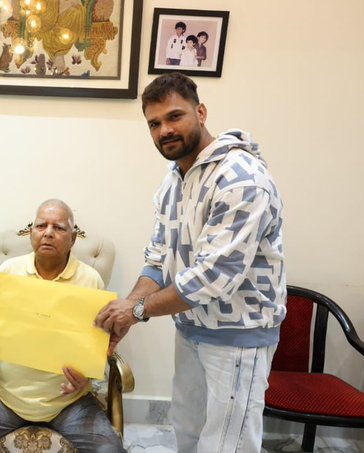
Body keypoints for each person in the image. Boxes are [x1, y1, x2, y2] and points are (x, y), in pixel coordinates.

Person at [95, 73, 286, 453]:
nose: (164, 130)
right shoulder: (173, 182)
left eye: (174, 116)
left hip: (237, 336)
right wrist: (128, 307)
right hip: (191, 329)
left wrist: (136, 310)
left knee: (227, 444)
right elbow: (158, 259)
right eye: (154, 123)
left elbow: (213, 277)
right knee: (188, 432)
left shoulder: (241, 178)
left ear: (201, 113)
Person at [0, 199, 126, 453]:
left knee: (110, 450)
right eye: (41, 226)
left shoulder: (90, 279)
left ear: (73, 239)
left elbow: (96, 345)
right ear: (31, 233)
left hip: (68, 400)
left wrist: (86, 377)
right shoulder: (9, 272)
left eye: (59, 228)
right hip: (7, 397)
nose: (48, 233)